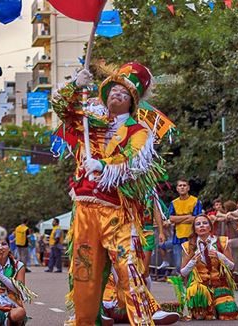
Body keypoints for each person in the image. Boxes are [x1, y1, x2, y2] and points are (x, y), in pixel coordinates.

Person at [51, 62, 180, 325]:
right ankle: (85, 321)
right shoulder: (88, 119)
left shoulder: (139, 131)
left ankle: (143, 320)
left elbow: (135, 165)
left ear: (132, 101)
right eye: (113, 90)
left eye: (124, 93)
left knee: (128, 268)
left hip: (116, 211)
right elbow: (61, 108)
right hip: (85, 209)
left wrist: (103, 166)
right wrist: (76, 85)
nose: (116, 95)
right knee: (85, 272)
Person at [178, 215, 238, 320]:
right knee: (201, 316)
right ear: (195, 229)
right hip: (201, 287)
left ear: (210, 227)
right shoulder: (188, 246)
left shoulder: (221, 242)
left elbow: (232, 267)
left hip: (219, 285)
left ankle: (217, 306)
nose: (202, 226)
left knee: (228, 314)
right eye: (198, 224)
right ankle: (207, 308)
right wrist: (193, 262)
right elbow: (183, 273)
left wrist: (219, 256)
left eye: (205, 223)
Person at [168, 180, 203, 274]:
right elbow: (171, 218)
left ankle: (190, 286)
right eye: (180, 185)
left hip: (191, 237)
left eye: (184, 185)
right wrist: (188, 216)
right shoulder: (173, 203)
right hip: (177, 237)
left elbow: (196, 218)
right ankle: (183, 286)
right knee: (179, 265)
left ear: (188, 188)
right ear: (177, 188)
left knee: (190, 264)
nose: (182, 187)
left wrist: (179, 219)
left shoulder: (195, 201)